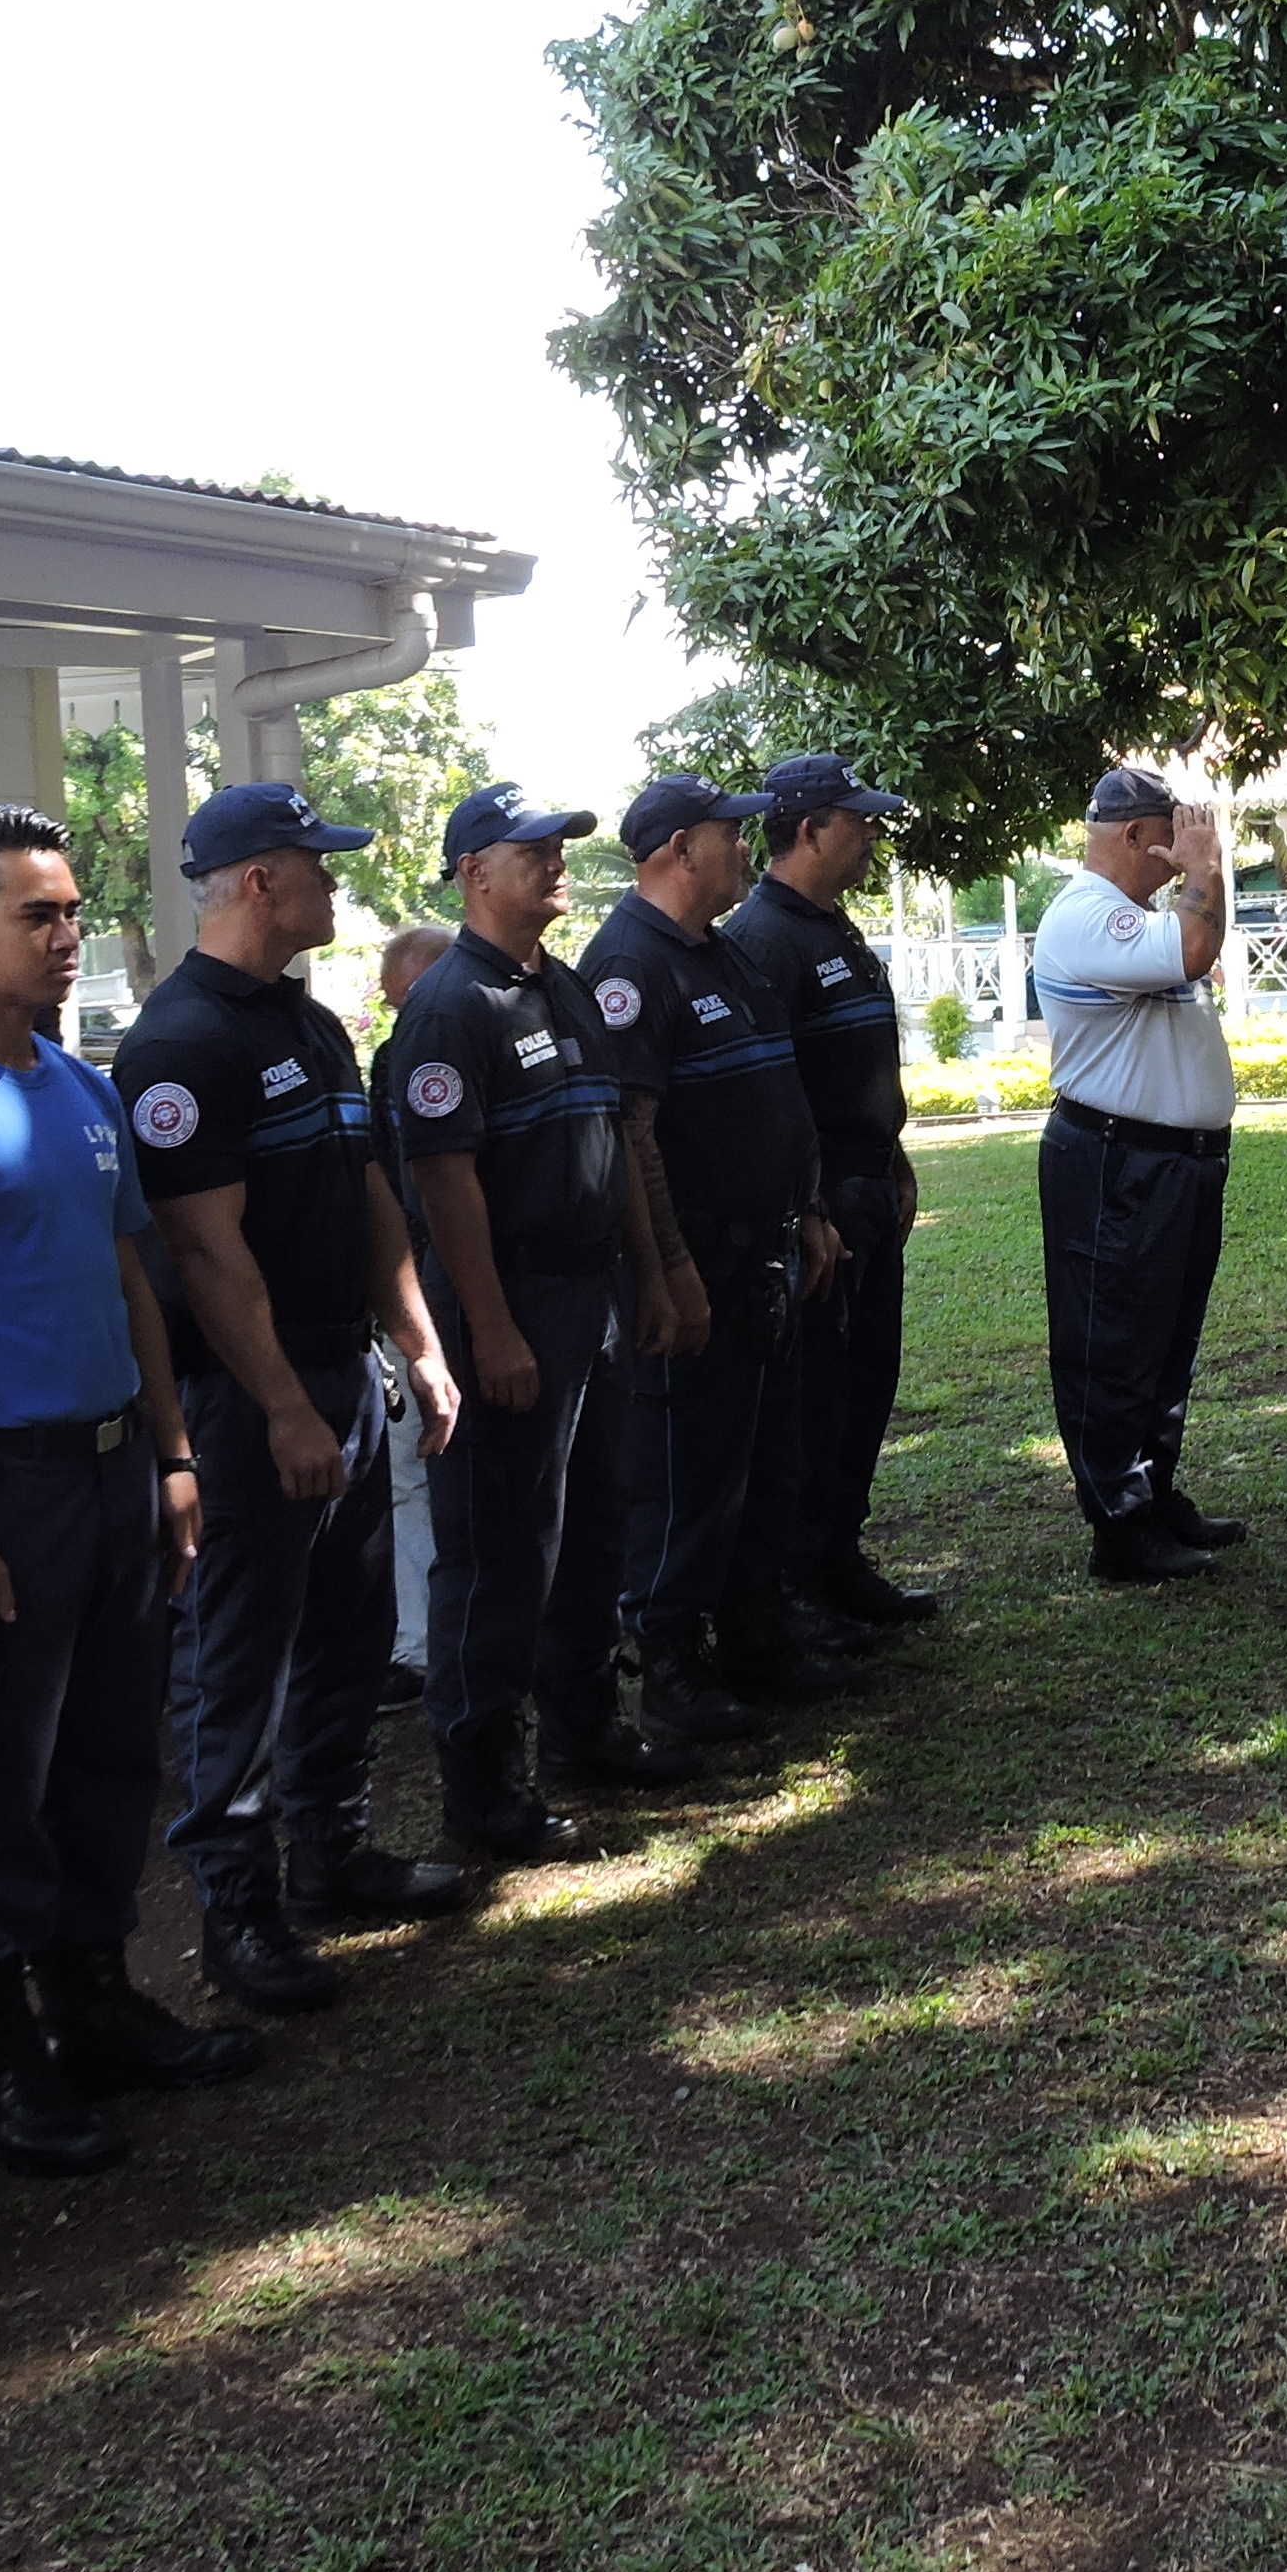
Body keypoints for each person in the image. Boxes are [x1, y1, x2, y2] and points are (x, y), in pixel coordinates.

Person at [0, 804, 250, 2187]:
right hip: (2, 1485)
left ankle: (94, 2004)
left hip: (115, 1464)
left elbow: (137, 1273)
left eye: (74, 910)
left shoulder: (78, 1089)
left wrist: (175, 1451)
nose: (69, 935)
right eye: (39, 914)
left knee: (106, 1758)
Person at [104, 783, 470, 2020]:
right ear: (261, 881)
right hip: (257, 1398)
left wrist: (415, 1347)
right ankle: (236, 1908)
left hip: (342, 1373)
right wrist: (281, 1409)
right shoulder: (178, 1045)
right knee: (241, 1655)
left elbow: (370, 1195)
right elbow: (203, 1254)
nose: (335, 885)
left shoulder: (307, 1029)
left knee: (351, 1634)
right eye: (317, 866)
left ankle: (332, 1851)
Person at [382, 783, 710, 1859]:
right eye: (536, 850)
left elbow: (613, 1140)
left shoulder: (560, 991)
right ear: (475, 873)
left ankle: (584, 1729)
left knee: (594, 1527)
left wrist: (653, 1277)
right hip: (511, 1302)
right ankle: (484, 1795)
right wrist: (493, 1327)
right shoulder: (450, 1007)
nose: (559, 863)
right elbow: (444, 1183)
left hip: (594, 1298)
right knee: (499, 1552)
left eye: (562, 847)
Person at [585, 774, 853, 1741]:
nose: (747, 845)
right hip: (697, 1262)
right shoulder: (627, 962)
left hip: (766, 1255)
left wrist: (810, 1210)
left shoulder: (723, 956)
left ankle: (755, 1635)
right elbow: (632, 1132)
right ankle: (668, 1664)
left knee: (762, 1458)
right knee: (685, 1472)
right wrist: (667, 1270)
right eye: (728, 833)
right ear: (675, 850)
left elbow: (781, 1096)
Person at [719, 751, 939, 1627]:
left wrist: (893, 1157)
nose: (872, 836)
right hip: (821, 1211)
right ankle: (797, 1582)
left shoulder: (832, 926)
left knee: (863, 1386)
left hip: (866, 1190)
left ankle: (838, 1557)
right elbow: (770, 1097)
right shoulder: (762, 941)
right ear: (807, 829)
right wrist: (810, 1206)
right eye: (857, 822)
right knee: (814, 1398)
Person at [1030, 767, 1247, 1585]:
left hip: (1174, 1161)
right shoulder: (1084, 917)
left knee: (1165, 1341)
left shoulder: (1130, 916)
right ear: (1132, 836)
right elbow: (1198, 946)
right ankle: (1118, 1526)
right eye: (1174, 829)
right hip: (1119, 1158)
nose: (1186, 842)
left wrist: (1193, 875)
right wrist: (1206, 869)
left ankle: (1151, 1493)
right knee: (1112, 1342)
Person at [374, 920, 455, 1700]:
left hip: (475, 1291)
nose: (404, 1019)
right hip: (413, 1296)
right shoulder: (386, 1064)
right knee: (410, 1473)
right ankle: (417, 1644)